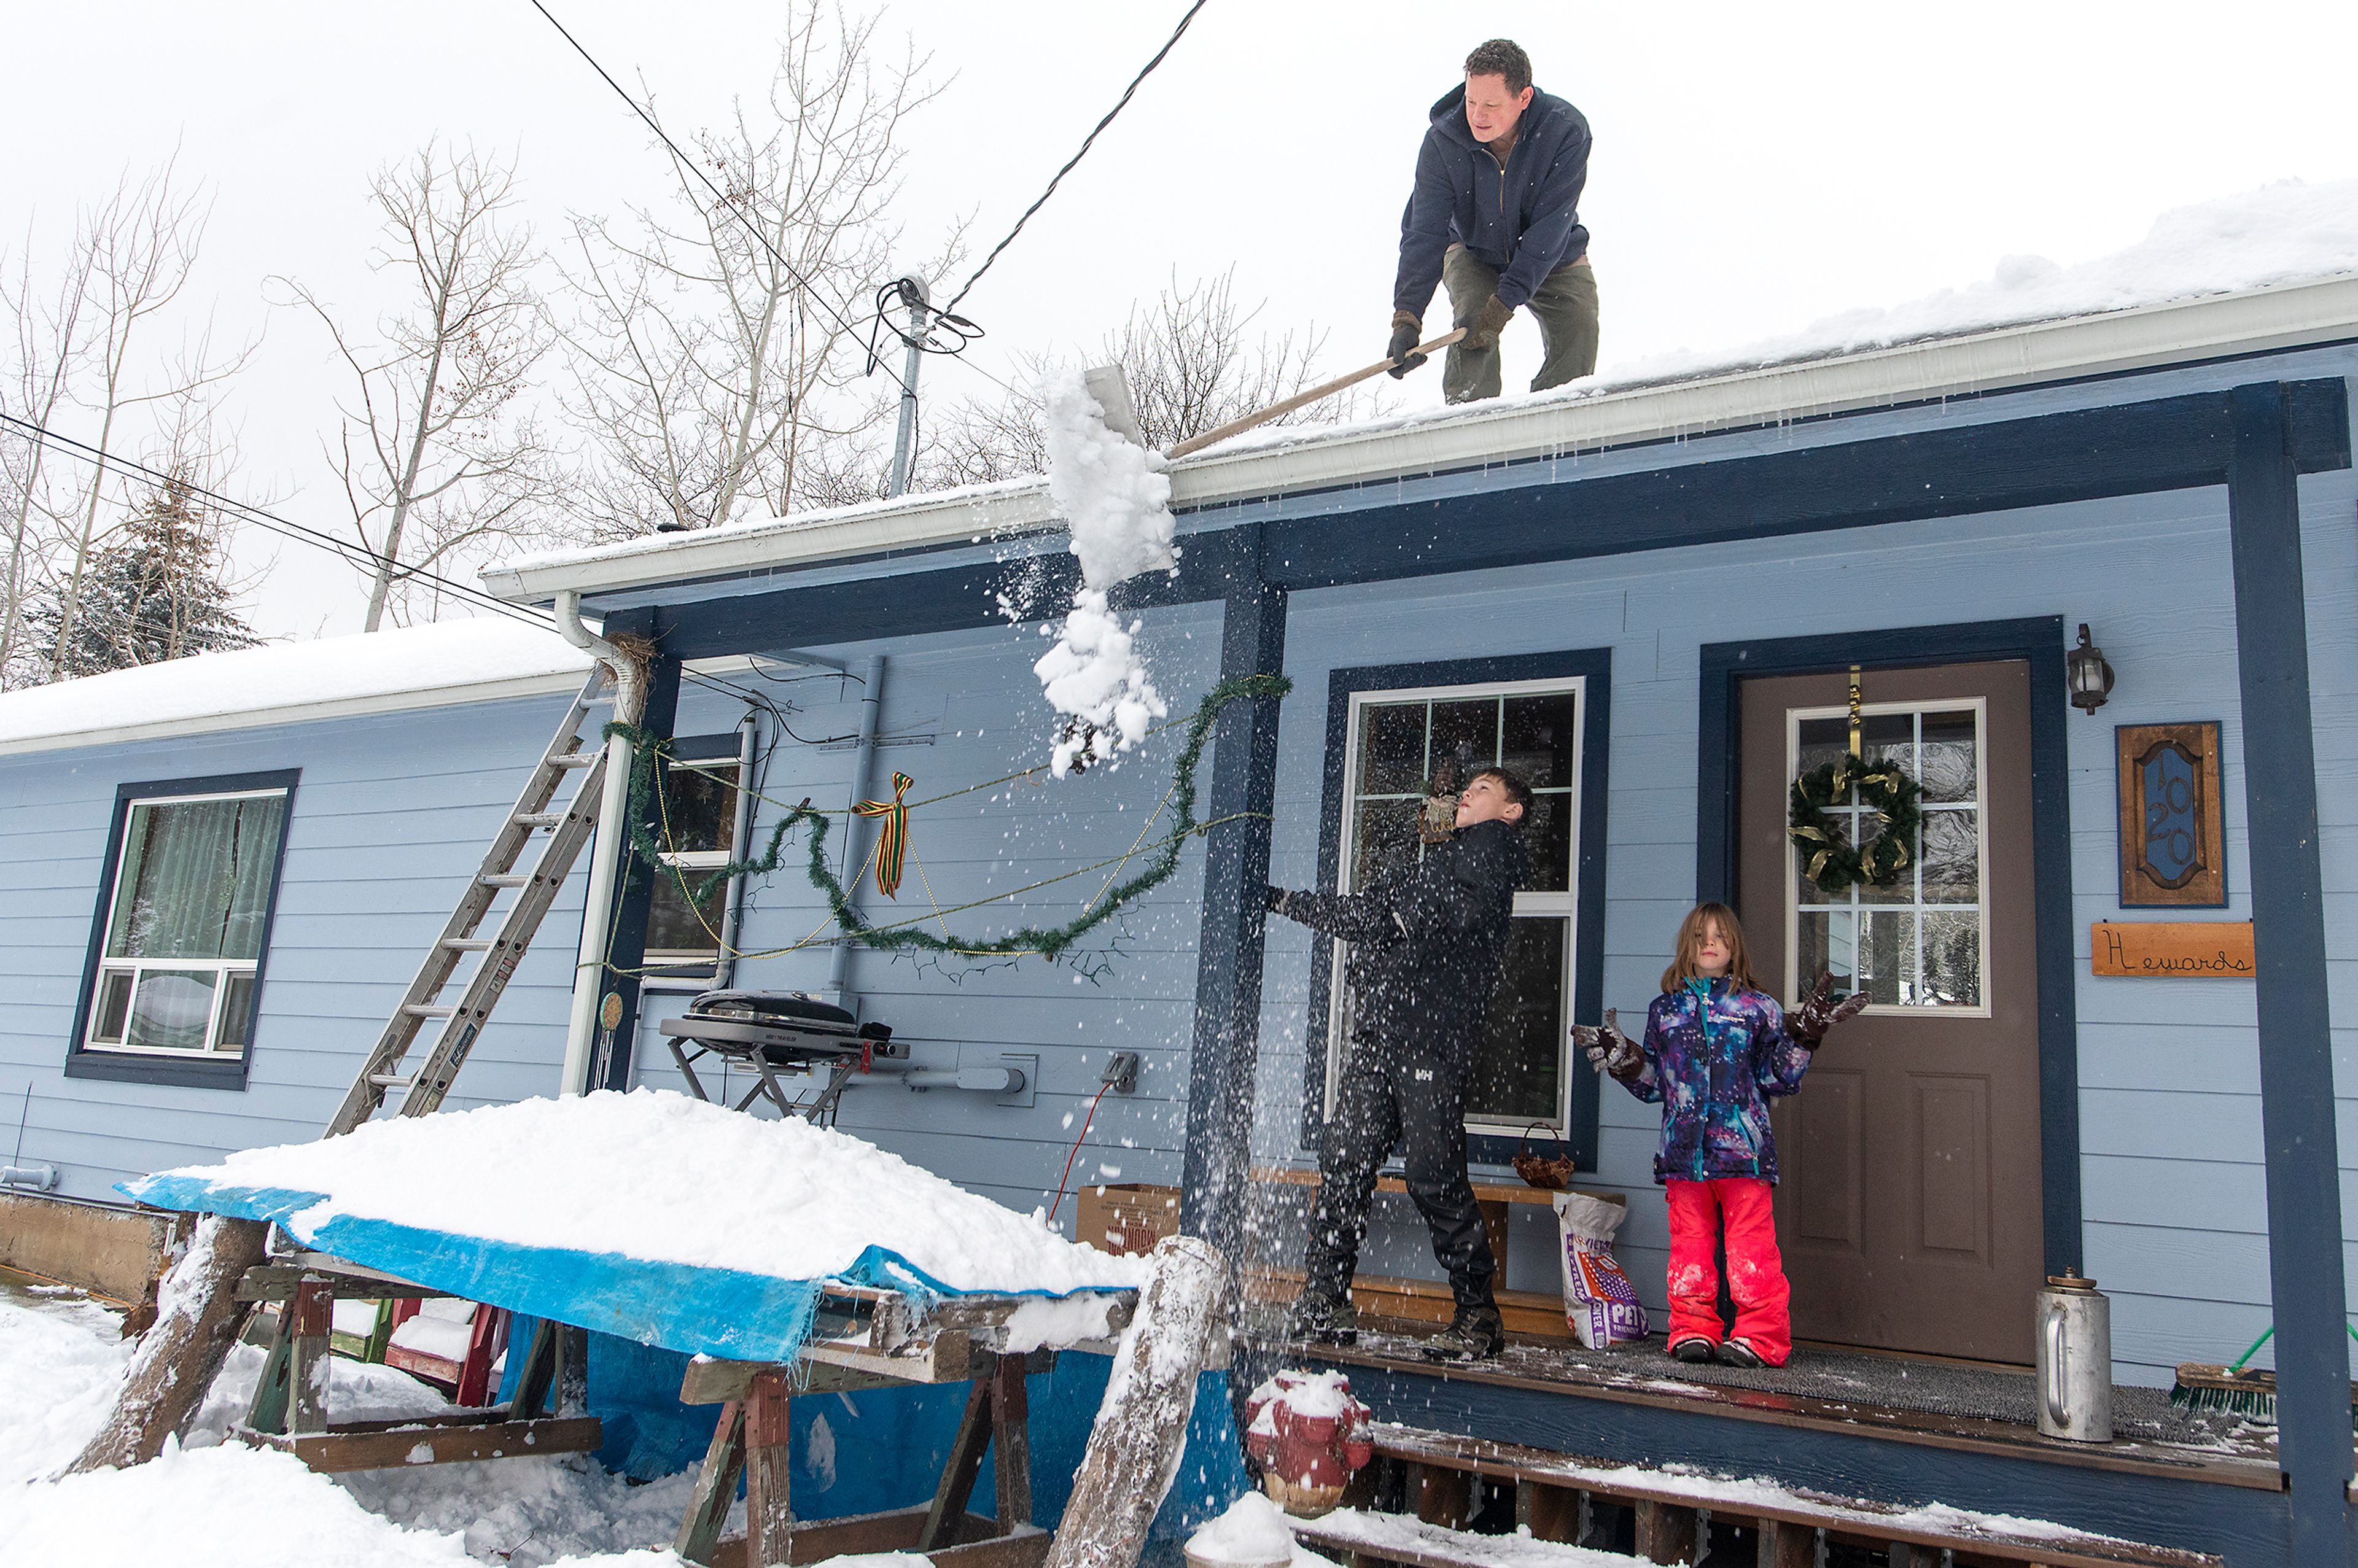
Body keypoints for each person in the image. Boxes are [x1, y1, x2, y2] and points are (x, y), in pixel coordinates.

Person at [1264, 766, 1532, 1362]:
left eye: (1483, 790)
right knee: (1347, 1156)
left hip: (1431, 1039)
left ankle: (1478, 1314)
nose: (1468, 794)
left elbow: (1440, 915)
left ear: (1511, 811)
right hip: (1381, 1035)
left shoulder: (1492, 851)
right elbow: (1370, 917)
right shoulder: (1439, 860)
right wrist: (1285, 902)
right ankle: (1325, 1297)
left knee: (1433, 1173)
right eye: (1465, 789)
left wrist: (1403, 911)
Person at [1575, 904, 1866, 1368]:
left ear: (1735, 948)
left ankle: (1761, 1336)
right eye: (1699, 936)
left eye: (1720, 936)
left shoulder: (1758, 1009)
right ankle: (1693, 1329)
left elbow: (1778, 1079)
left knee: (1751, 1252)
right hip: (1682, 1154)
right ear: (1686, 946)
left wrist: (1803, 1040)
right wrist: (1626, 1059)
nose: (1709, 944)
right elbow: (1656, 1084)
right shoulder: (1665, 1011)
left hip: (1743, 1155)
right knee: (1689, 1249)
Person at [1390, 39, 1597, 405]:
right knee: (1472, 323)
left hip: (1550, 253)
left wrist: (1506, 302)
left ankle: (1558, 419)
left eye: (1491, 105)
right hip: (1473, 249)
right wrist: (1407, 318)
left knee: (1578, 322)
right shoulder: (1443, 143)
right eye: (1471, 101)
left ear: (1524, 98)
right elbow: (1425, 233)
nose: (1477, 115)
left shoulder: (1565, 132)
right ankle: (1468, 418)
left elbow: (1550, 229)